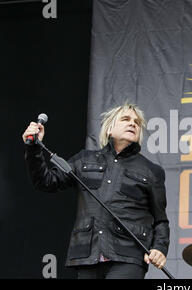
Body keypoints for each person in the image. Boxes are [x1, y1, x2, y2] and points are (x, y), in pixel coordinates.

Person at [22, 102, 169, 279]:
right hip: (87, 255)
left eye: (137, 122)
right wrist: (33, 148)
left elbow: (161, 220)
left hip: (128, 256)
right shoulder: (84, 159)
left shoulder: (151, 171)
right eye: (125, 119)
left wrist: (159, 248)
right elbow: (46, 182)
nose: (132, 124)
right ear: (109, 129)